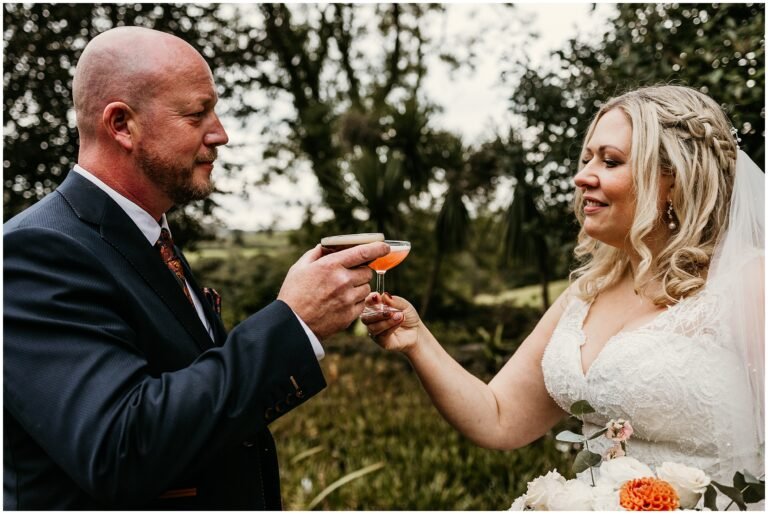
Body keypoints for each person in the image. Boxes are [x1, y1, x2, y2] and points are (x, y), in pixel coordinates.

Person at [3, 26, 389, 510]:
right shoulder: (31, 253)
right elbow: (119, 448)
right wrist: (294, 323)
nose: (221, 133)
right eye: (196, 113)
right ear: (121, 125)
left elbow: (197, 399)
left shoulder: (150, 240)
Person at [364, 85, 764, 504]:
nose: (582, 176)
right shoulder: (586, 294)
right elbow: (500, 418)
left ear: (674, 182)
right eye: (588, 158)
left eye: (610, 161)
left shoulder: (747, 283)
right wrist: (416, 339)